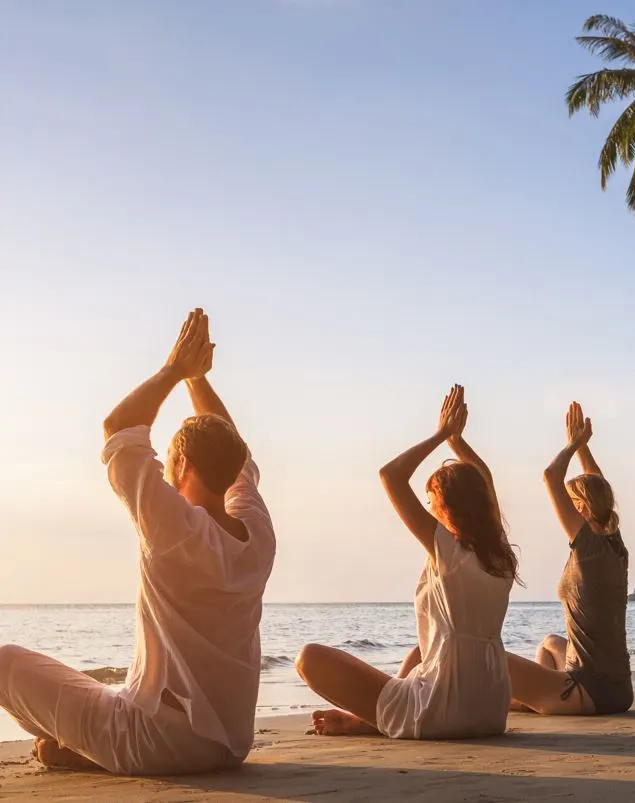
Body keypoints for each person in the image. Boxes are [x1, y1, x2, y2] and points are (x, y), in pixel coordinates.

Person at [0, 308, 276, 774]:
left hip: (154, 742)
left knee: (4, 662)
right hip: (230, 745)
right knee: (111, 694)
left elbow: (119, 429)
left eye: (170, 464)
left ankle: (89, 751)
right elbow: (237, 452)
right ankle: (82, 748)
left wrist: (175, 369)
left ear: (183, 464)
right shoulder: (257, 530)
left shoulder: (174, 526)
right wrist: (197, 380)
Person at [295, 385, 519, 739]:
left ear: (448, 506)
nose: (429, 509)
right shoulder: (501, 556)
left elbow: (391, 476)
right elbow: (485, 482)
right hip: (491, 708)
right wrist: (457, 444)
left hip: (444, 709)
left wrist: (442, 434)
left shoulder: (450, 552)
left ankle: (374, 721)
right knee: (420, 652)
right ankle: (372, 720)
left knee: (309, 658)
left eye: (432, 501)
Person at [507, 401, 632, 715]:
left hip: (589, 690)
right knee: (550, 643)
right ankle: (534, 701)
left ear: (580, 509)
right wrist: (583, 450)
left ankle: (532, 703)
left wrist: (573, 444)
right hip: (618, 689)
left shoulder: (588, 547)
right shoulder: (615, 545)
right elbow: (599, 485)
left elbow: (551, 477)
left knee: (491, 661)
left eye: (573, 500)